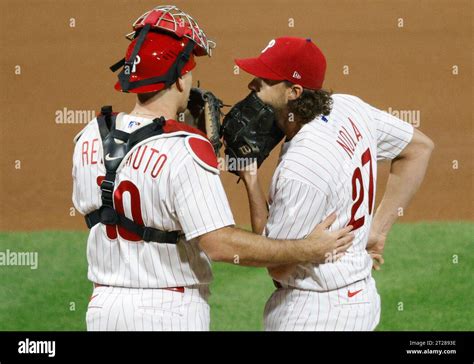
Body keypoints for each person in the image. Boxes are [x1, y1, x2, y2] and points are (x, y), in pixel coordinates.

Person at [71, 7, 354, 331]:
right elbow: (220, 243)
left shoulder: (88, 137)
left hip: (103, 310)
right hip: (167, 313)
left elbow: (120, 204)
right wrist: (307, 248)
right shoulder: (186, 148)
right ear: (179, 78)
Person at [234, 36, 434, 331]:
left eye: (263, 80)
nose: (252, 85)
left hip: (314, 314)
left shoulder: (300, 167)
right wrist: (377, 231)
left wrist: (250, 178)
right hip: (360, 298)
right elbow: (419, 147)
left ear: (294, 91)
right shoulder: (349, 108)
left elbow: (276, 265)